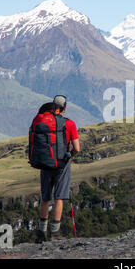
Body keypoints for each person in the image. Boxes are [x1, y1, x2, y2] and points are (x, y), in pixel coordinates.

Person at [36, 95, 80, 243]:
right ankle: (55, 234)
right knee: (59, 197)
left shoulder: (43, 121)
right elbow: (77, 148)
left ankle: (41, 233)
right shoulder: (70, 124)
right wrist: (69, 155)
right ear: (64, 107)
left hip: (45, 163)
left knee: (45, 198)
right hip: (62, 164)